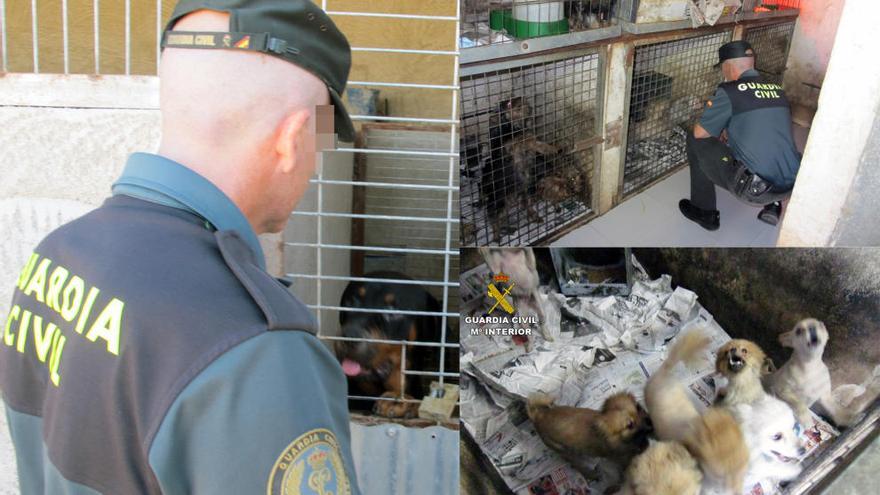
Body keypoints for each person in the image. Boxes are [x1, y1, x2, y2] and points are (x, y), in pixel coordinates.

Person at [0, 1, 361, 494]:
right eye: (320, 144)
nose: (313, 168)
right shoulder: (252, 347)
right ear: (294, 138)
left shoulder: (57, 253)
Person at [679, 40, 802, 230]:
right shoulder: (778, 90)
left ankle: (704, 212)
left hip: (754, 190)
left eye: (722, 68)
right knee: (768, 140)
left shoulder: (729, 91)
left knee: (695, 138)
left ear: (728, 66)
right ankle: (774, 205)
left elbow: (700, 132)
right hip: (790, 183)